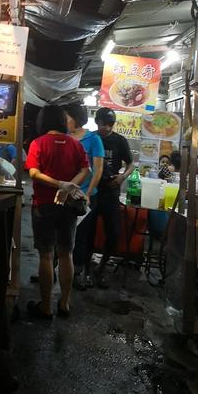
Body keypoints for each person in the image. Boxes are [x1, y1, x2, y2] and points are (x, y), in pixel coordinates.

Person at [25, 105, 90, 319]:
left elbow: (33, 173)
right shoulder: (75, 144)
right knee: (66, 253)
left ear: (42, 121)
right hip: (68, 206)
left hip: (44, 204)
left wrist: (58, 184)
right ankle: (64, 303)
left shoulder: (38, 143)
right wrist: (68, 185)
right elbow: (86, 170)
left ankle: (46, 307)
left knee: (46, 255)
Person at [75, 107, 134, 290]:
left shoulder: (120, 141)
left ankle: (100, 270)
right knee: (87, 232)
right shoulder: (91, 138)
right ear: (97, 122)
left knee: (114, 232)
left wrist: (122, 177)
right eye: (103, 124)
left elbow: (131, 164)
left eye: (110, 124)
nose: (107, 128)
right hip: (92, 191)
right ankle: (83, 271)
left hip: (111, 191)